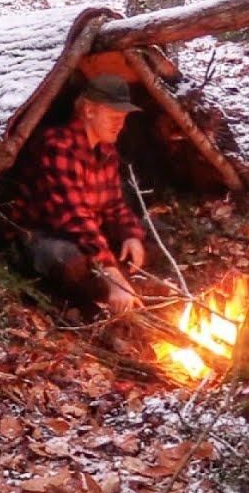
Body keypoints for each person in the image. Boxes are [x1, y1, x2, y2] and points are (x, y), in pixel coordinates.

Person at [8, 73, 148, 317]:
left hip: (87, 233)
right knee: (71, 262)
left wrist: (130, 234)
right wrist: (111, 273)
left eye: (123, 118)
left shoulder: (106, 151)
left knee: (145, 238)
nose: (120, 125)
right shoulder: (57, 146)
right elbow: (73, 218)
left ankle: (126, 292)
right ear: (89, 110)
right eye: (114, 117)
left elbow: (114, 204)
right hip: (44, 235)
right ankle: (88, 309)